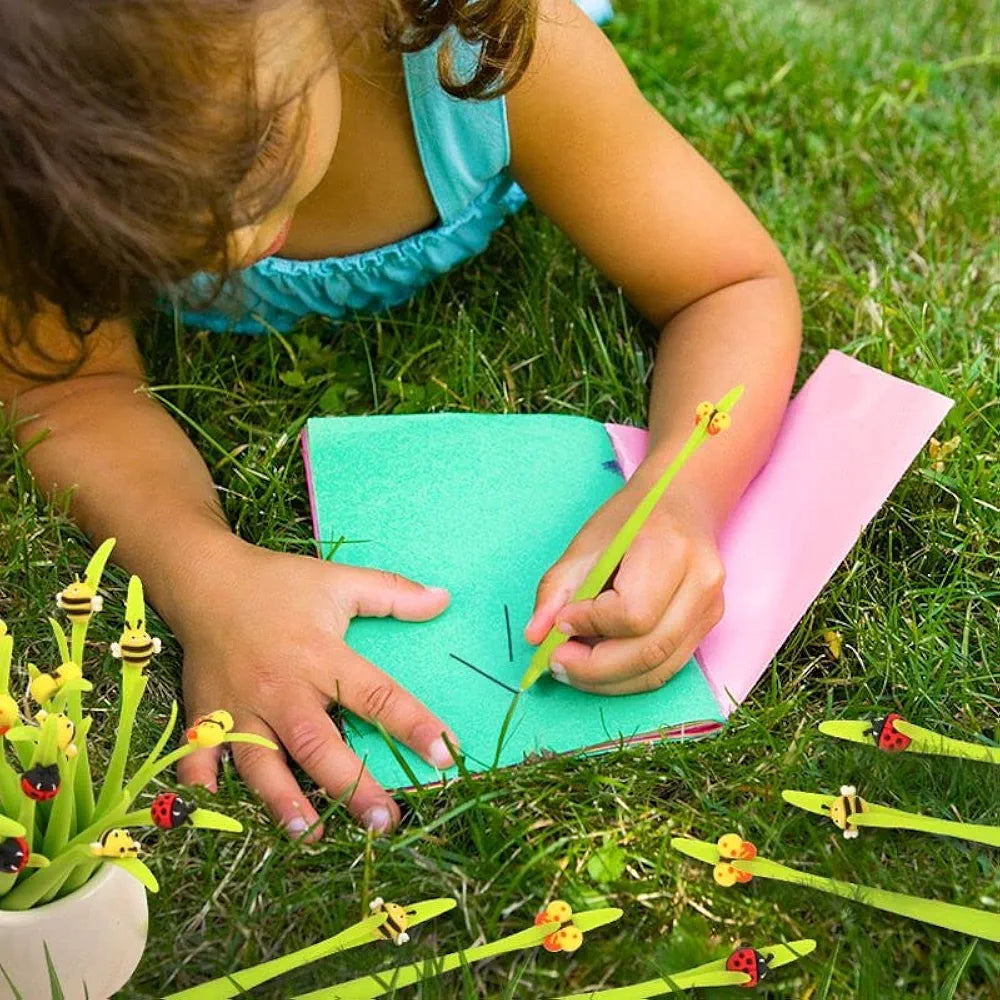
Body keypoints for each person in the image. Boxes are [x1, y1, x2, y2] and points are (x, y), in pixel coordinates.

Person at [0, 0, 801, 838]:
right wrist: (205, 574)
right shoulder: (33, 112)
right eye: (138, 224)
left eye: (254, 147)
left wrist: (683, 496)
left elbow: (728, 285)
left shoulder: (496, 55)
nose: (230, 242)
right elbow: (68, 387)